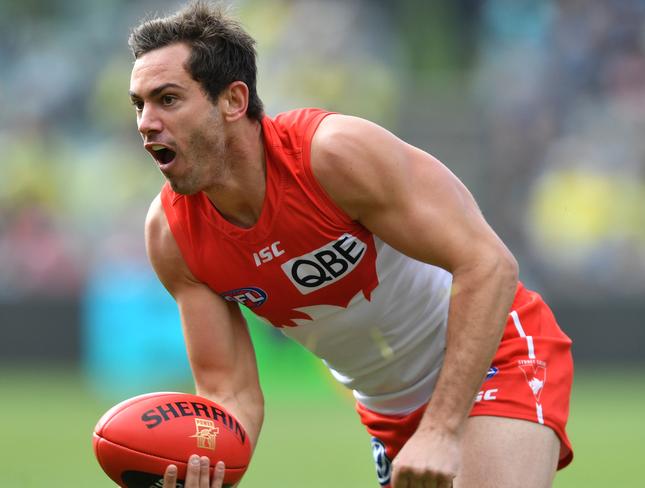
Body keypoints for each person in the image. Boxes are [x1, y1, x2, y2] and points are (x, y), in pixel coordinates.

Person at [127, 2, 574, 487]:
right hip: (388, 413)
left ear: (233, 101)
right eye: (139, 104)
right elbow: (229, 393)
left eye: (167, 99)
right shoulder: (171, 236)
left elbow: (489, 265)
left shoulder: (334, 155)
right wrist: (208, 467)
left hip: (495, 356)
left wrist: (441, 429)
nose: (146, 123)